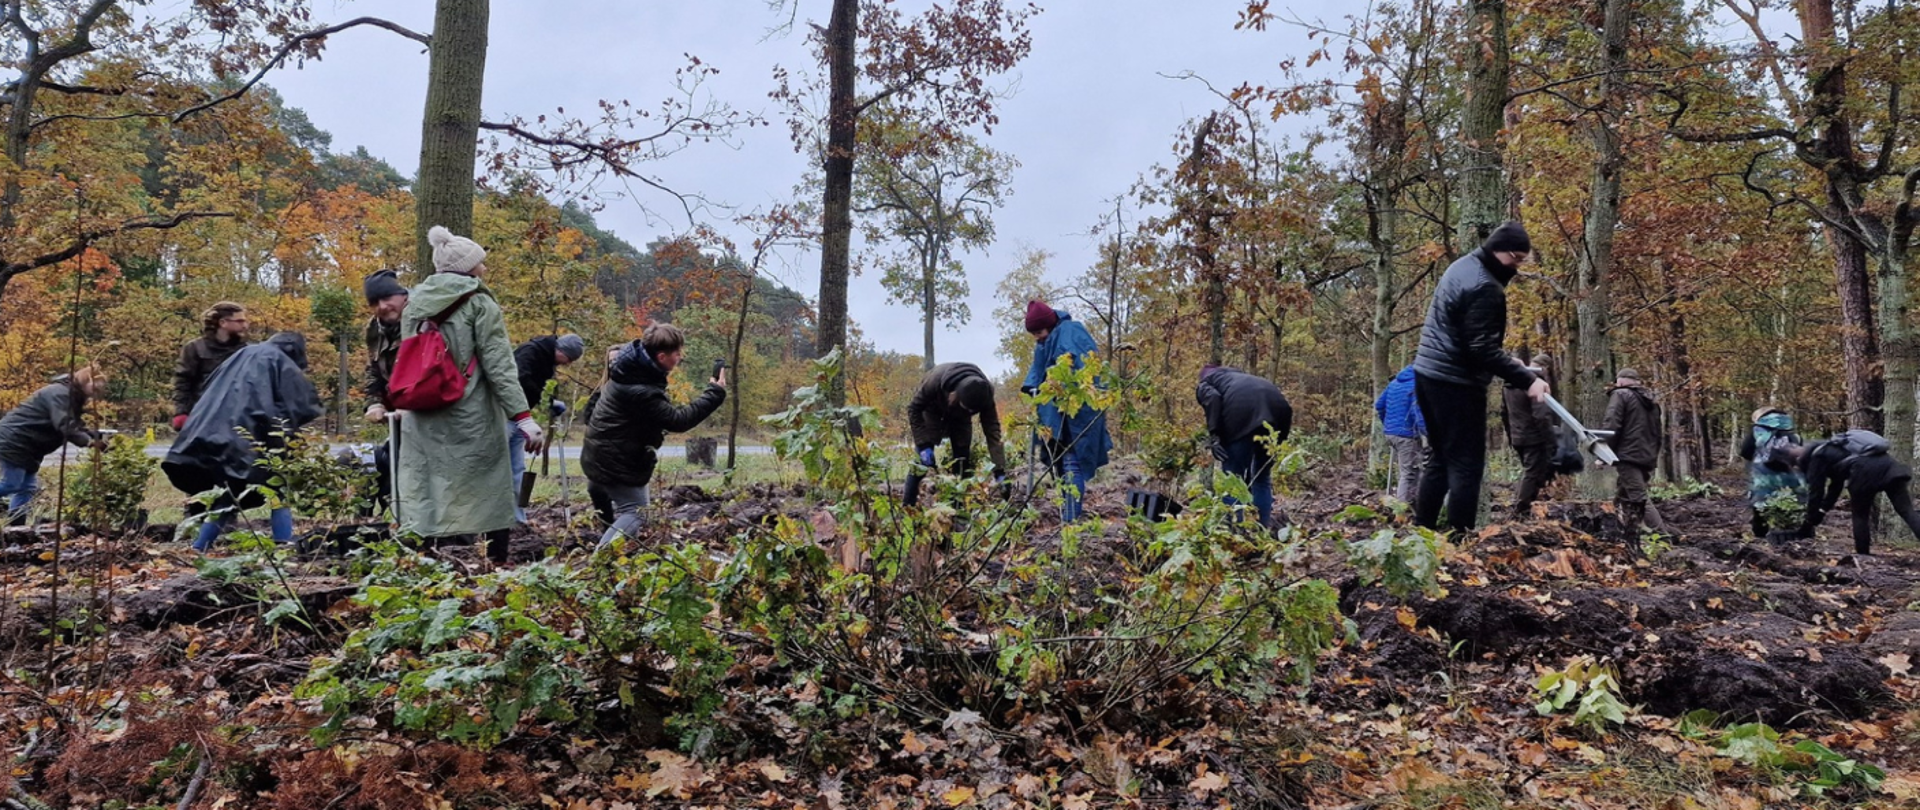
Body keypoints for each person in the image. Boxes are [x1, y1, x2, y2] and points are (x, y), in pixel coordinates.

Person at [395, 226, 544, 566]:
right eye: (481, 263)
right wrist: (523, 416)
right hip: (470, 414)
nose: (485, 269)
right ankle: (494, 564)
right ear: (467, 268)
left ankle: (428, 566)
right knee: (491, 487)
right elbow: (500, 365)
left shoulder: (414, 306)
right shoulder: (479, 303)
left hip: (423, 412)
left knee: (427, 484)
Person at [1411, 222, 1548, 533]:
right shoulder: (1485, 286)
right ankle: (1461, 543)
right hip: (1455, 384)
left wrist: (1506, 361)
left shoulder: (1462, 266)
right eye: (1515, 258)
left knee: (1440, 460)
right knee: (1466, 466)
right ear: (1499, 250)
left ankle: (1423, 535)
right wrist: (1529, 380)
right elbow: (1481, 350)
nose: (1516, 267)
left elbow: (1468, 336)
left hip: (1427, 374)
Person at [162, 333, 322, 551]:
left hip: (210, 430)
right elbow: (300, 404)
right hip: (244, 437)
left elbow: (208, 390)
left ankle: (200, 546)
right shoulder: (278, 360)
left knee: (230, 493)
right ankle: (283, 541)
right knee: (275, 486)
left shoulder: (240, 355)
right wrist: (287, 436)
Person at [583, 324, 726, 549]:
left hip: (602, 455)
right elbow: (678, 420)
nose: (680, 357)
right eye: (677, 353)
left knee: (632, 514)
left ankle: (613, 554)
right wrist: (714, 393)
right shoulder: (641, 390)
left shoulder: (630, 372)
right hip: (616, 460)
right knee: (638, 513)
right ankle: (600, 561)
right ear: (661, 357)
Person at [1020, 300, 1112, 522]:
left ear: (1049, 324)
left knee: (1072, 461)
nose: (1037, 337)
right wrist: (1035, 387)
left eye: (1039, 331)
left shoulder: (1071, 334)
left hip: (1076, 412)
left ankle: (1071, 519)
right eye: (1033, 334)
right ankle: (1066, 516)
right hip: (1055, 412)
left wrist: (1058, 388)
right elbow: (1039, 370)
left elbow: (1080, 371)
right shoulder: (1045, 341)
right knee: (1061, 463)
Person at [1784, 430, 1920, 555]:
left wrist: (1809, 522)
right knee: (1907, 511)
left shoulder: (1817, 458)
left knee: (1860, 515)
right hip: (1889, 466)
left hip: (1864, 472)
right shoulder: (1834, 448)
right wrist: (1821, 511)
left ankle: (1863, 555)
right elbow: (1835, 487)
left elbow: (1816, 493)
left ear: (1797, 462)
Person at [0, 367, 106, 525]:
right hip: (15, 440)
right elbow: (65, 425)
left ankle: (15, 527)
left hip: (30, 446)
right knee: (12, 483)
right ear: (86, 381)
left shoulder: (71, 396)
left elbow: (73, 425)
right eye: (95, 387)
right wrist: (89, 442)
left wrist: (91, 435)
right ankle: (15, 524)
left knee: (27, 488)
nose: (96, 393)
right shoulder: (59, 394)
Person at [1196, 364, 1292, 527]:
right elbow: (1287, 410)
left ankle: (1234, 533)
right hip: (1278, 411)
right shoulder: (1244, 379)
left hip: (1240, 413)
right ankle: (1263, 530)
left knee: (1232, 479)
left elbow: (1212, 398)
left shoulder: (1206, 383)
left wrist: (1214, 435)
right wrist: (1279, 443)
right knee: (1261, 477)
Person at [903, 362, 1008, 507]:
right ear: (955, 396)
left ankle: (958, 508)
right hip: (932, 411)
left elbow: (992, 430)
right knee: (919, 465)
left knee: (962, 461)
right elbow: (914, 409)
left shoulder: (984, 394)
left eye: (973, 412)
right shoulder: (934, 381)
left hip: (961, 419)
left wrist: (1000, 469)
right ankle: (907, 506)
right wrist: (922, 445)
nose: (971, 413)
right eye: (968, 409)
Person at [508, 333, 584, 523]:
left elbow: (536, 387)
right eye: (568, 359)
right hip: (505, 416)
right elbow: (518, 380)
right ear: (561, 351)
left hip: (521, 418)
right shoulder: (530, 352)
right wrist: (544, 399)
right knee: (499, 469)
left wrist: (549, 402)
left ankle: (518, 521)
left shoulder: (546, 360)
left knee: (517, 470)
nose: (567, 364)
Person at [361, 269, 408, 512]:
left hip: (431, 410)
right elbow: (373, 370)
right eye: (374, 302)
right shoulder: (373, 329)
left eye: (387, 298)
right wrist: (374, 402)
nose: (382, 306)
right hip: (397, 413)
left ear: (402, 295)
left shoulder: (422, 319)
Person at [1598, 368, 1667, 535]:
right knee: (1623, 495)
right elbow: (1657, 432)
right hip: (1646, 455)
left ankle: (1664, 536)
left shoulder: (1620, 395)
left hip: (1627, 455)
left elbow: (1612, 425)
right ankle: (1613, 528)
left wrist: (1603, 453)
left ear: (1620, 381)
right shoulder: (1652, 402)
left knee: (1639, 498)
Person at [171, 301, 250, 429]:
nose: (245, 326)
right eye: (240, 321)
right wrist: (181, 412)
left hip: (238, 419)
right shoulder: (195, 348)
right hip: (202, 417)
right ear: (223, 323)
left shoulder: (246, 351)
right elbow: (183, 383)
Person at [1503, 353, 1559, 516]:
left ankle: (1530, 507)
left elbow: (1503, 412)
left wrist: (1511, 434)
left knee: (1534, 472)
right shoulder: (1535, 383)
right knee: (1532, 472)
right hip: (1534, 436)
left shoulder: (1509, 384)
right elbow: (1541, 415)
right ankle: (1520, 510)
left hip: (1518, 436)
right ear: (1546, 368)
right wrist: (1550, 440)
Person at [1738, 407, 1806, 538]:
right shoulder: (1791, 432)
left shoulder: (1756, 431)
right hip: (1790, 475)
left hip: (1764, 475)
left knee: (1761, 505)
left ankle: (1760, 535)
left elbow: (1746, 451)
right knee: (1791, 502)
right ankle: (1791, 534)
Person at [1375, 364, 1425, 503]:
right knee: (1408, 473)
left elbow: (1379, 405)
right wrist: (1427, 432)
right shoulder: (1415, 386)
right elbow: (1417, 413)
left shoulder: (1394, 383)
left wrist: (1388, 424)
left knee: (1412, 469)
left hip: (1391, 433)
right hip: (1406, 435)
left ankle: (1411, 503)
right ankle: (1400, 511)